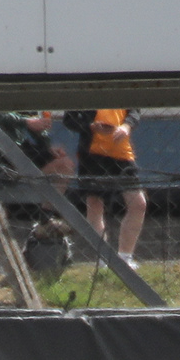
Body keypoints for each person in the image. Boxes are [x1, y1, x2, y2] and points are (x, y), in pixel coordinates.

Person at [0, 112, 73, 279]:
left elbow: (35, 123)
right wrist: (25, 122)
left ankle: (45, 216)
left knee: (65, 165)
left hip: (21, 148)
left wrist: (46, 145)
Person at [64, 109, 147, 267]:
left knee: (138, 204)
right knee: (94, 204)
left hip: (122, 153)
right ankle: (103, 259)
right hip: (92, 153)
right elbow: (69, 119)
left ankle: (125, 258)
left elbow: (134, 110)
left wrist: (126, 126)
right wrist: (90, 126)